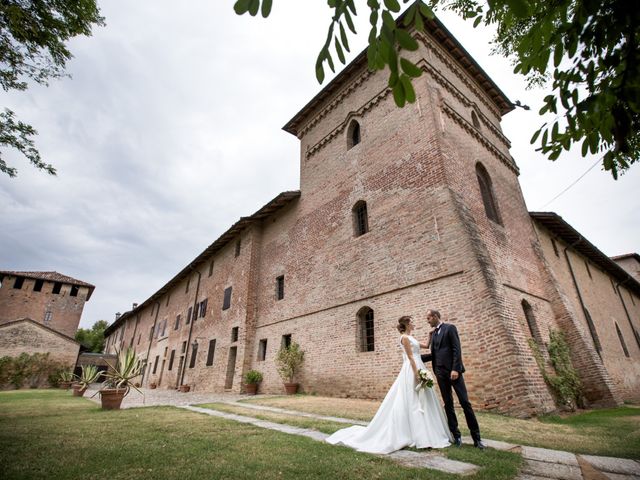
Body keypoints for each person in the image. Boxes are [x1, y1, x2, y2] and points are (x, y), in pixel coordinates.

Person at [325, 316, 451, 454]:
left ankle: (427, 431)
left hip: (419, 366)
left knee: (423, 397)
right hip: (412, 368)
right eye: (412, 322)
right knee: (412, 398)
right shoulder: (404, 338)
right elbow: (410, 357)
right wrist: (417, 373)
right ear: (407, 324)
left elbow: (426, 346)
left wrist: (430, 336)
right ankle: (415, 433)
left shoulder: (411, 337)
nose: (414, 324)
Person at [420, 309, 485, 449]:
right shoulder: (434, 335)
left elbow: (457, 349)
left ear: (436, 317)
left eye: (429, 318)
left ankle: (477, 438)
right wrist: (415, 358)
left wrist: (456, 368)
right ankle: (456, 436)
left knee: (465, 402)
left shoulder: (450, 328)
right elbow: (435, 354)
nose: (427, 321)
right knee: (448, 404)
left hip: (453, 372)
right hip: (440, 374)